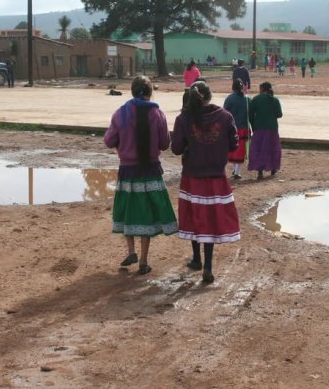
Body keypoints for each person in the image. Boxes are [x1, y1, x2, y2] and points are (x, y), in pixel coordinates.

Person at [104, 76, 177, 275]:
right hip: (151, 171)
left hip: (128, 171)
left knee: (129, 210)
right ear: (149, 91)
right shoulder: (157, 113)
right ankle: (144, 260)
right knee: (147, 215)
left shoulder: (121, 113)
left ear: (132, 91)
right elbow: (164, 144)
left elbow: (109, 141)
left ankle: (131, 251)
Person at [171, 80, 240, 284]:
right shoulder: (225, 117)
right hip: (217, 176)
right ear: (209, 96)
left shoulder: (183, 118)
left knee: (194, 216)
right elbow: (234, 143)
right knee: (210, 219)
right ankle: (208, 266)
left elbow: (175, 148)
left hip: (192, 176)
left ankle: (196, 259)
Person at [248, 81, 283, 180]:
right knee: (273, 148)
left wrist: (253, 126)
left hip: (259, 128)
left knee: (258, 149)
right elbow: (279, 114)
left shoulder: (256, 99)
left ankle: (260, 172)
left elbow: (250, 115)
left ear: (262, 89)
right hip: (272, 128)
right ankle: (273, 168)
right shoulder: (275, 100)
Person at [223, 78, 251, 179]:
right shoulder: (247, 99)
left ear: (233, 87)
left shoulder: (229, 98)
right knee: (240, 150)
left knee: (232, 149)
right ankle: (236, 171)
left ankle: (235, 170)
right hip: (243, 128)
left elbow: (224, 113)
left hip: (232, 128)